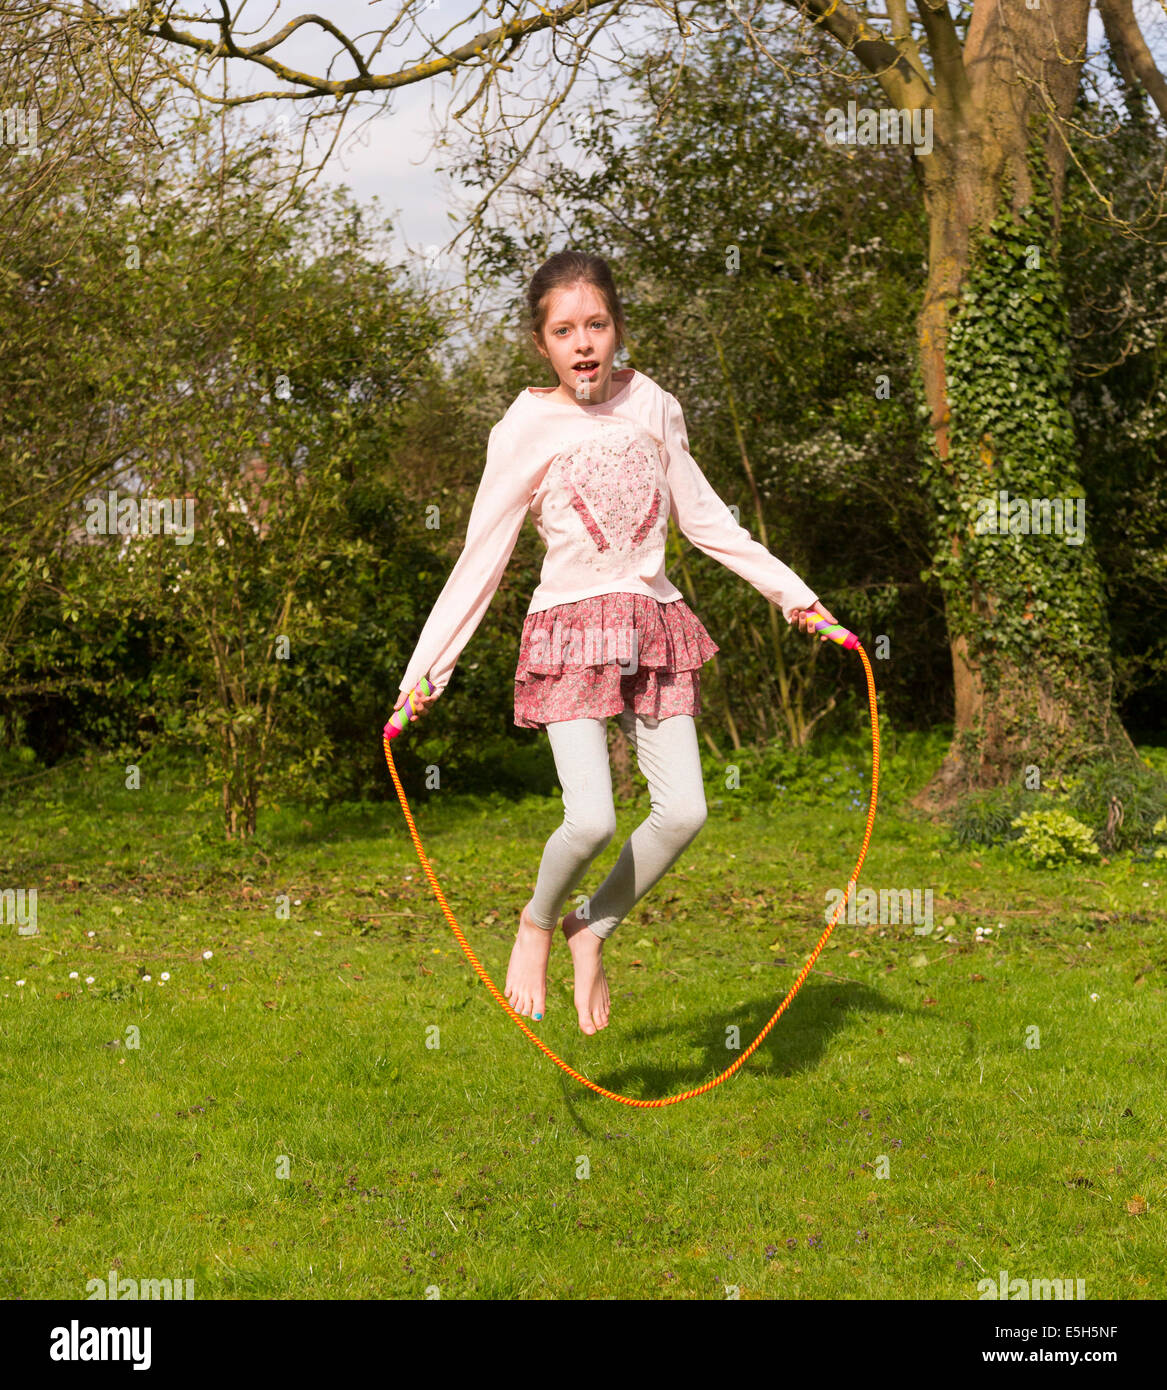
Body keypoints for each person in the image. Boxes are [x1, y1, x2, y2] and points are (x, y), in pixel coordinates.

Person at [394, 250, 840, 1036]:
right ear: (542, 344)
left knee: (685, 812)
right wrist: (426, 673)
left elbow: (705, 520)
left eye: (595, 324)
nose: (583, 343)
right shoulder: (523, 426)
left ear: (618, 328)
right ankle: (536, 922)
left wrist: (799, 601)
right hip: (567, 635)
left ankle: (591, 927)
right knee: (592, 819)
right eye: (564, 330)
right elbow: (482, 558)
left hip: (652, 627)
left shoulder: (655, 406)